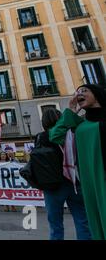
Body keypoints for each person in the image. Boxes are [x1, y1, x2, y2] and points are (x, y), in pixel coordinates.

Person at [50, 84, 106, 240]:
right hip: (90, 184)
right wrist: (70, 111)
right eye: (76, 92)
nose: (78, 94)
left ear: (97, 94)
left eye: (83, 91)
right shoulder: (80, 125)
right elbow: (55, 135)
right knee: (96, 224)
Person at [37, 108, 91, 240]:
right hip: (74, 181)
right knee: (82, 221)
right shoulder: (72, 134)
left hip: (52, 186)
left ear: (43, 122)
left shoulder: (42, 137)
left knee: (55, 225)